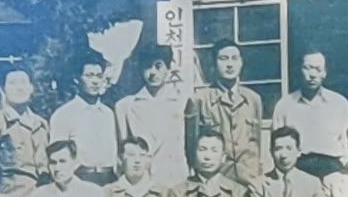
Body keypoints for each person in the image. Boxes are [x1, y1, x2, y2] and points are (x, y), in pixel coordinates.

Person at [189, 41, 272, 187]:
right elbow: (191, 146)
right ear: (214, 64)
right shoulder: (200, 100)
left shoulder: (253, 99)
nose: (229, 64)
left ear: (241, 62)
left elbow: (257, 141)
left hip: (249, 179)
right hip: (216, 180)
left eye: (234, 58)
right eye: (223, 59)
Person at [271, 51, 348, 174]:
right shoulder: (284, 105)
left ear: (324, 73)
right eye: (307, 68)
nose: (312, 74)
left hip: (333, 168)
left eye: (318, 69)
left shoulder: (339, 103)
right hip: (299, 168)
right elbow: (277, 143)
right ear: (299, 70)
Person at [49, 55, 124, 182]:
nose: (95, 81)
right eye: (89, 75)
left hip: (109, 179)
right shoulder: (64, 114)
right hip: (79, 179)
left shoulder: (109, 114)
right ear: (77, 79)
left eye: (99, 76)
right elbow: (57, 156)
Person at [119, 52, 187, 185]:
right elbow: (123, 151)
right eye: (147, 67)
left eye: (158, 66)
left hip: (175, 178)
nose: (153, 72)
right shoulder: (126, 106)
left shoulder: (181, 102)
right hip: (143, 180)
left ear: (168, 68)